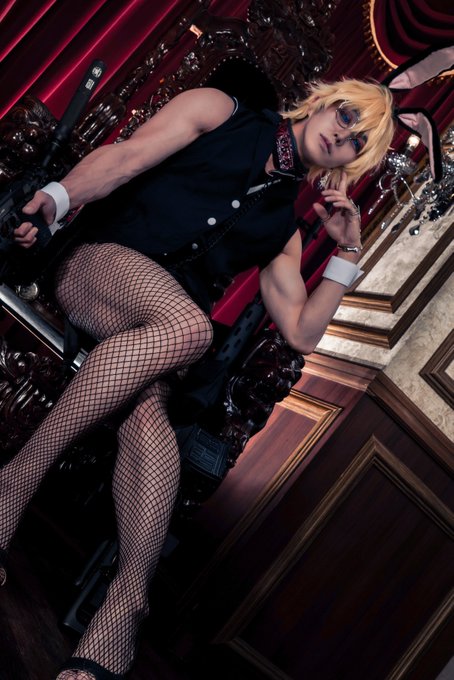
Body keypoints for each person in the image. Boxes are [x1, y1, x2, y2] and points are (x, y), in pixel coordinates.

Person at [0, 80, 394, 679]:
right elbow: (127, 157)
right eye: (345, 116)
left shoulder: (282, 231)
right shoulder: (221, 111)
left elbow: (301, 331)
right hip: (96, 267)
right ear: (322, 101)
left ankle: (123, 609)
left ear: (353, 161)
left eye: (358, 141)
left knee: (148, 415)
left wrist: (347, 254)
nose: (342, 135)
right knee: (190, 328)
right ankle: (16, 483)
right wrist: (56, 200)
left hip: (153, 342)